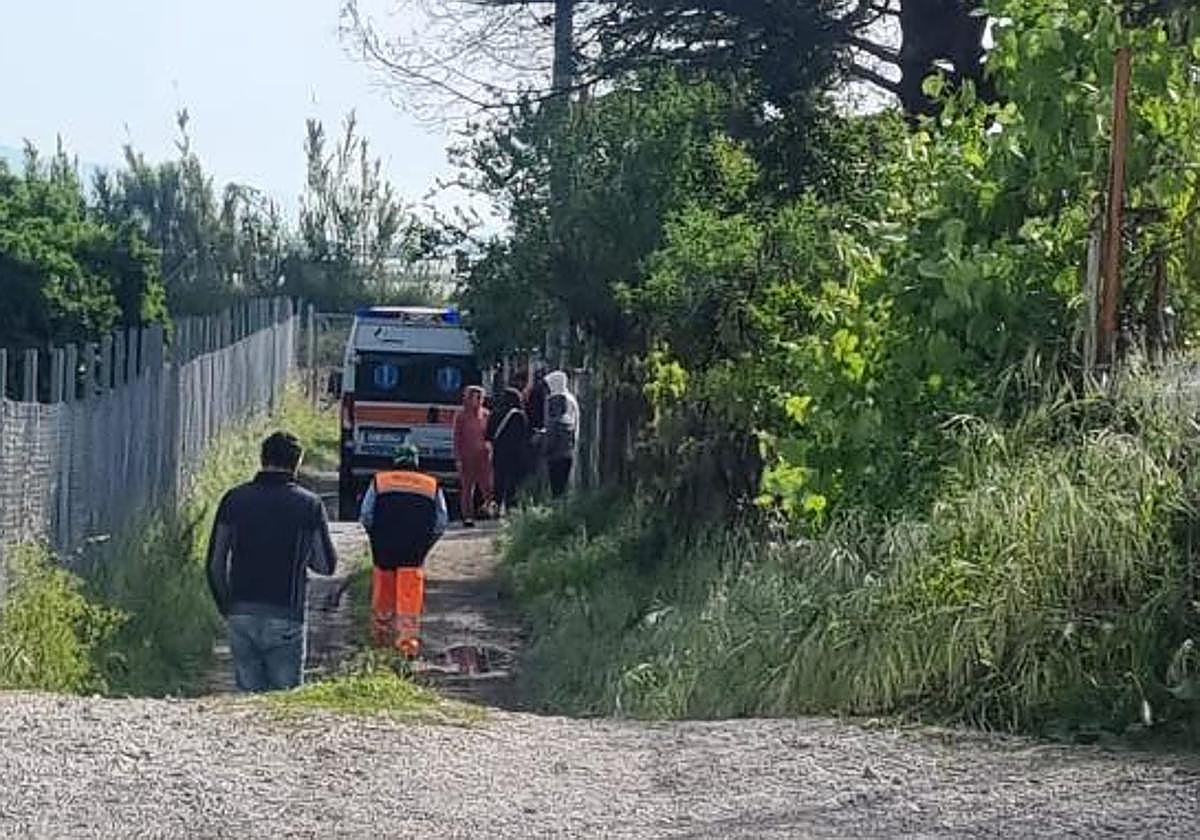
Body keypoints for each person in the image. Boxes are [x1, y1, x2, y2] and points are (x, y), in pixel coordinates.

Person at [206, 431, 337, 693]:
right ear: (297, 463)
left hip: (241, 613)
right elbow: (326, 565)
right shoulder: (309, 505)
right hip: (286, 614)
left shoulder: (234, 499)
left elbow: (214, 563)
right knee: (283, 707)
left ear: (262, 458)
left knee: (248, 702)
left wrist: (228, 607)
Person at [359, 443, 448, 657]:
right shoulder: (431, 485)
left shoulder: (380, 481)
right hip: (414, 554)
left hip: (384, 551)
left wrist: (376, 537)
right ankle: (406, 649)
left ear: (394, 461)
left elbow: (366, 515)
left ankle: (380, 646)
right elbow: (441, 522)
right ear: (416, 462)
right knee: (408, 605)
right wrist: (426, 544)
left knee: (383, 601)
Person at [486, 387, 530, 515]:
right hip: (516, 455)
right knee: (513, 482)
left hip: (499, 453)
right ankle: (511, 509)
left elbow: (488, 435)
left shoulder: (495, 413)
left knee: (498, 481)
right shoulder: (520, 415)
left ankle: (496, 507)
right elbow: (524, 436)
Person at [452, 385, 492, 527]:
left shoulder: (486, 414)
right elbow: (457, 438)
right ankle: (467, 516)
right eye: (477, 397)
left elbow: (489, 435)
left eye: (481, 398)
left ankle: (489, 510)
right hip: (467, 456)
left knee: (487, 486)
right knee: (468, 487)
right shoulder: (461, 416)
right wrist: (458, 458)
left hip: (484, 456)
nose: (480, 401)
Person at [544, 370, 579, 498]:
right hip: (567, 448)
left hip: (558, 449)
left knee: (558, 486)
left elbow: (558, 424)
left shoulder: (560, 400)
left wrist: (547, 444)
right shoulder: (570, 399)